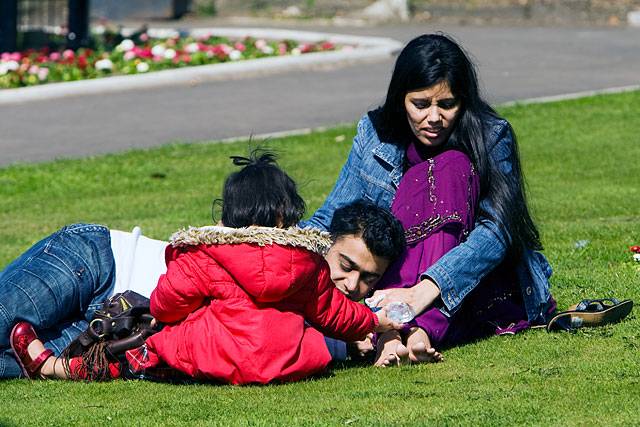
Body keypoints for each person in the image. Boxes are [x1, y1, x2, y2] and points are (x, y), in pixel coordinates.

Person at [5, 151, 405, 383]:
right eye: (345, 264)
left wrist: (380, 334)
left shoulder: (303, 280)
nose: (351, 284)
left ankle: (54, 366)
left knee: (11, 360)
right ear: (314, 240)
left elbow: (347, 319)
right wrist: (375, 328)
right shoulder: (298, 265)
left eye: (368, 279)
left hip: (113, 329)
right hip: (100, 261)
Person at [302, 33, 555, 365]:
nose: (433, 118)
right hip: (386, 284)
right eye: (420, 104)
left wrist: (422, 293)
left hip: (468, 281)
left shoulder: (491, 136)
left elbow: (497, 233)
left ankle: (407, 329)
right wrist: (270, 245)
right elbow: (333, 215)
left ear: (463, 101)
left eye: (446, 104)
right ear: (400, 99)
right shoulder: (376, 132)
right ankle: (397, 329)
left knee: (449, 166)